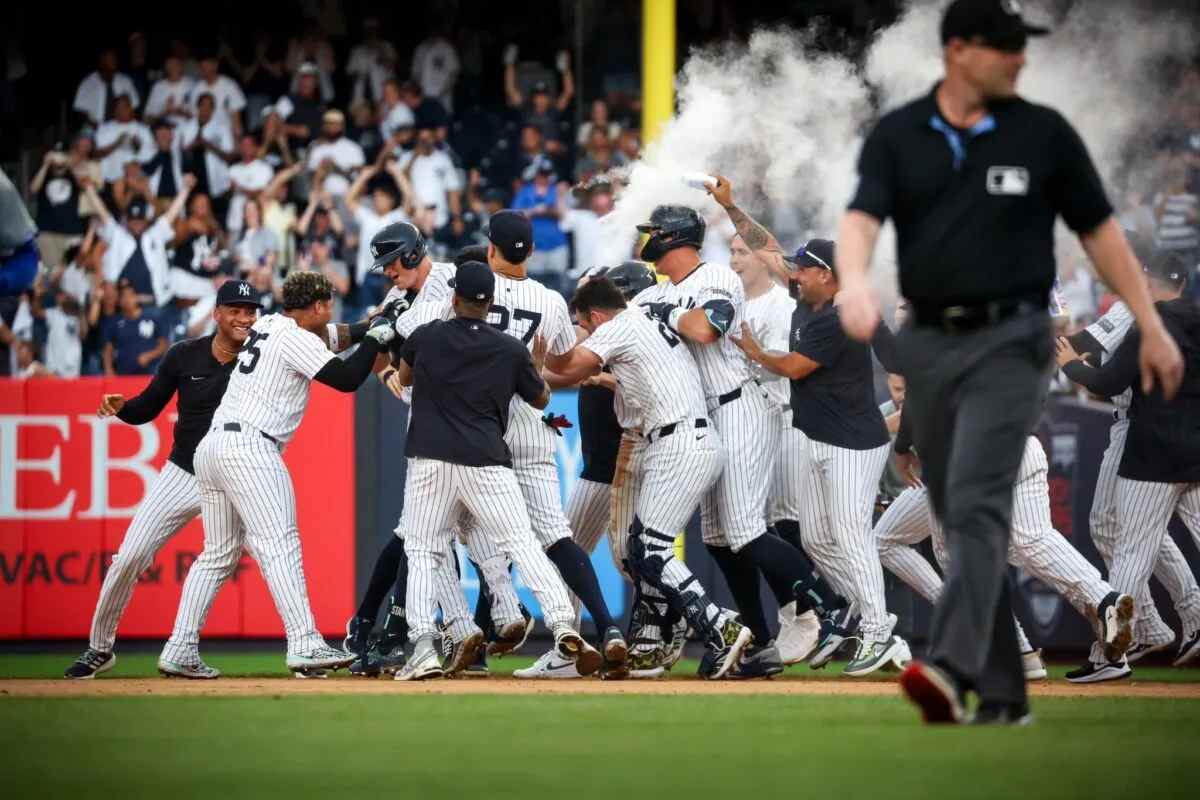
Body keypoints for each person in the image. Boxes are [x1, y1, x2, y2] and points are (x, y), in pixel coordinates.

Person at [832, 0, 1182, 724]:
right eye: (1007, 45)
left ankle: (958, 666)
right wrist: (858, 282)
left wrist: (1149, 320)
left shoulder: (1042, 133)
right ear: (960, 49)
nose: (1021, 57)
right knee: (962, 519)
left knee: (979, 501)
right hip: (933, 347)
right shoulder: (900, 136)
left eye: (1024, 46)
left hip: (1009, 346)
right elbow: (861, 218)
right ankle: (1006, 686)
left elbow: (1101, 232)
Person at [633, 202, 846, 677]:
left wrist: (664, 308)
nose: (647, 239)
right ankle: (759, 640)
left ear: (672, 237)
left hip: (738, 405)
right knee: (717, 539)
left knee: (746, 529)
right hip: (704, 415)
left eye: (653, 233)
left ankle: (830, 611)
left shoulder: (716, 279)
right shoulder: (661, 292)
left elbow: (706, 330)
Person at [159, 271, 395, 676]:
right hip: (251, 448)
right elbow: (345, 378)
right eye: (328, 306)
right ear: (318, 306)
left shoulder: (268, 324)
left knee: (217, 555)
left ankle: (180, 647)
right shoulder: (297, 338)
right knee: (280, 544)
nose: (330, 313)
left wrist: (369, 325)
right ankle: (304, 642)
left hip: (212, 447)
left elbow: (332, 337)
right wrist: (375, 339)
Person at [388, 260, 588, 681]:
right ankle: (563, 625)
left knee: (423, 551)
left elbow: (404, 378)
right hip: (486, 459)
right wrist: (530, 365)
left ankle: (423, 645)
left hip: (431, 458)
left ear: (453, 296)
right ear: (491, 302)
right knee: (523, 545)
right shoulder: (509, 348)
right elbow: (541, 400)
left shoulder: (425, 336)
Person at [549, 275, 754, 678]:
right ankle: (678, 626)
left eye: (586, 326)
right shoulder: (648, 321)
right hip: (683, 438)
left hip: (678, 441)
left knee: (652, 548)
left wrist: (522, 362)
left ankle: (720, 626)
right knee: (642, 550)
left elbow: (569, 368)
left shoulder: (621, 325)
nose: (588, 334)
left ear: (595, 316)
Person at [64, 280, 261, 678]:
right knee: (130, 556)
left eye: (251, 310)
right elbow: (147, 407)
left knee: (276, 555)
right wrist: (122, 407)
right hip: (184, 472)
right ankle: (99, 648)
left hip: (236, 478)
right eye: (236, 309)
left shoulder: (263, 354)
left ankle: (303, 644)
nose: (245, 317)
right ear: (217, 314)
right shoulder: (184, 355)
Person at [732, 239, 910, 677]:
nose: (794, 275)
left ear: (828, 276)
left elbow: (795, 367)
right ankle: (868, 615)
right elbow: (768, 249)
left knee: (850, 534)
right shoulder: (806, 303)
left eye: (804, 270)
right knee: (814, 539)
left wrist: (755, 352)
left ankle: (876, 629)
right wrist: (731, 206)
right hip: (819, 437)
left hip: (852, 442)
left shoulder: (836, 318)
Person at [1057, 253, 1200, 678]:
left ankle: (1109, 655)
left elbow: (1107, 382)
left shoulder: (1146, 321)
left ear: (1148, 281)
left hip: (1151, 454)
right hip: (1196, 454)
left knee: (1130, 554)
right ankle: (1164, 627)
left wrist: (1070, 365)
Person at [729, 233, 820, 666]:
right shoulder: (735, 305)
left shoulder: (782, 307)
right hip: (748, 422)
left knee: (784, 522)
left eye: (742, 252)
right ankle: (794, 616)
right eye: (730, 251)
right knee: (757, 525)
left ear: (767, 261)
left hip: (782, 417)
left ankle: (812, 614)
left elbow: (783, 369)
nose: (734, 259)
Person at [512, 160, 568, 294]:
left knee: (559, 286)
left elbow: (564, 214)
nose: (544, 177)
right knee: (533, 286)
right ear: (536, 174)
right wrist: (535, 211)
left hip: (556, 245)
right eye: (542, 174)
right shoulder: (526, 191)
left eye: (547, 174)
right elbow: (516, 214)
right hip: (534, 246)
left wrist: (546, 210)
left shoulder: (557, 190)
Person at [31, 145, 88, 271]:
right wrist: (46, 164)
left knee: (73, 271)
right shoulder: (44, 174)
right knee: (51, 272)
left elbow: (84, 186)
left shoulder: (73, 173)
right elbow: (33, 189)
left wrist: (69, 164)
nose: (58, 160)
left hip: (72, 231)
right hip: (48, 232)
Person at [102, 277, 167, 375]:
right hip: (123, 374)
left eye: (130, 296)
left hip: (150, 373)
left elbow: (164, 345)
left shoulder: (152, 318)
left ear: (136, 298)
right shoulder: (114, 322)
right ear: (119, 301)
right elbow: (108, 349)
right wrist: (109, 370)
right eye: (123, 296)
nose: (127, 300)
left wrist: (149, 356)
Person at [94, 95, 152, 187]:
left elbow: (149, 158)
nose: (121, 110)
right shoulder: (104, 129)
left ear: (131, 109)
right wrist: (116, 144)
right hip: (110, 180)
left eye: (125, 107)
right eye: (118, 107)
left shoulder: (143, 129)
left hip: (135, 182)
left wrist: (137, 147)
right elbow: (95, 155)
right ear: (114, 110)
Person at [73, 47, 140, 127]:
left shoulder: (125, 81)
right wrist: (95, 126)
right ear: (101, 61)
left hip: (122, 125)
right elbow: (80, 111)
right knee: (83, 138)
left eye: (115, 59)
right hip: (94, 127)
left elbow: (134, 106)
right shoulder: (88, 83)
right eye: (110, 59)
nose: (114, 62)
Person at [305, 110, 365, 197]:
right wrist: (321, 171)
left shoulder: (353, 148)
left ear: (342, 126)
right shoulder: (314, 146)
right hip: (320, 197)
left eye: (336, 124)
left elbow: (361, 179)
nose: (332, 127)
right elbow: (307, 176)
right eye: (329, 124)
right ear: (323, 126)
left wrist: (336, 168)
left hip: (347, 197)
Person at [226, 133, 275, 236]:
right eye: (243, 145)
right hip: (235, 222)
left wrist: (239, 187)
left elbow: (261, 194)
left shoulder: (264, 168)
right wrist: (230, 190)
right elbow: (227, 195)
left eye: (248, 145)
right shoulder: (232, 169)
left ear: (256, 148)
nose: (245, 148)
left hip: (256, 222)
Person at [143, 55, 195, 127]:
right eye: (169, 66)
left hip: (187, 128)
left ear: (182, 66)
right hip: (163, 129)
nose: (173, 69)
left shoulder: (192, 85)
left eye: (176, 65)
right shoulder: (158, 87)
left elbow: (199, 115)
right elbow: (147, 118)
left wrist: (182, 112)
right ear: (166, 68)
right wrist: (165, 112)